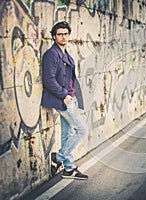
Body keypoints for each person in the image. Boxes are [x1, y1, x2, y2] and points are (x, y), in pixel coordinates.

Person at [41, 21, 88, 180]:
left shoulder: (65, 53)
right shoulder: (51, 54)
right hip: (62, 99)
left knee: (67, 134)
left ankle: (69, 168)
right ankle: (59, 158)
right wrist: (64, 95)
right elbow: (48, 80)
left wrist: (73, 96)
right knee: (82, 129)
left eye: (66, 34)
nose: (63, 37)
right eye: (60, 34)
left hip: (69, 98)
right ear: (54, 36)